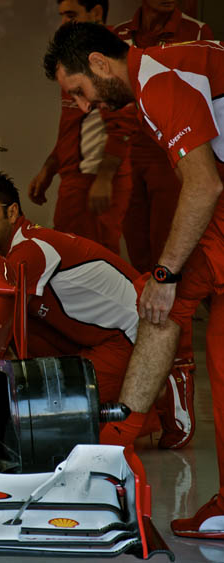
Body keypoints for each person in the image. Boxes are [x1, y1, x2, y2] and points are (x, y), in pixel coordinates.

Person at [43, 21, 224, 538]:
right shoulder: (161, 73)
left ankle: (112, 446)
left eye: (78, 91)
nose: (80, 107)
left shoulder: (160, 81)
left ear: (100, 63)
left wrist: (165, 273)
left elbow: (203, 184)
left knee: (162, 299)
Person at [111, 0, 213, 450]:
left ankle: (163, 418)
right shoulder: (117, 37)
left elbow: (205, 182)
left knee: (167, 286)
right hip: (141, 163)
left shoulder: (191, 33)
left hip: (187, 162)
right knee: (148, 283)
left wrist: (167, 273)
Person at [0, 171, 141, 406]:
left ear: (12, 211)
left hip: (125, 339)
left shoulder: (29, 249)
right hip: (90, 337)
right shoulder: (14, 249)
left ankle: (159, 390)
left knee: (69, 420)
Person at [29, 0, 136, 256]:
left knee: (97, 259)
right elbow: (70, 125)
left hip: (96, 175)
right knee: (68, 252)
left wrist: (105, 177)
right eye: (61, 15)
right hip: (73, 175)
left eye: (71, 14)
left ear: (96, 13)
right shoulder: (73, 60)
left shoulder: (110, 58)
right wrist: (49, 167)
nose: (64, 22)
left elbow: (123, 122)